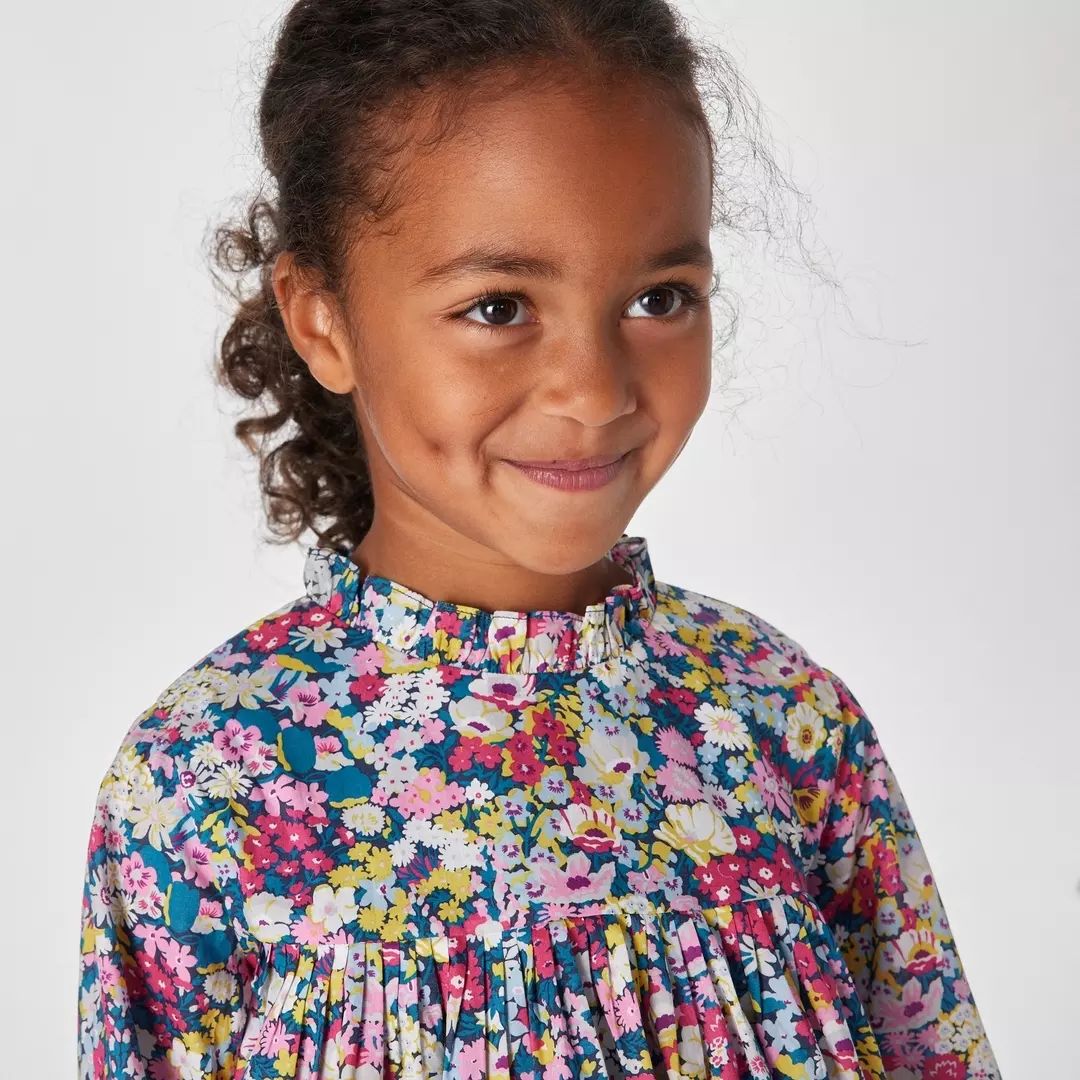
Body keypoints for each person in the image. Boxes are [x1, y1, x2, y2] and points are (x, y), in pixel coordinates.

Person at [77, 2, 1001, 1077]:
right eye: (499, 307)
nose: (594, 392)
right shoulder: (201, 782)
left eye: (660, 297)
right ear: (323, 318)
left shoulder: (786, 725)